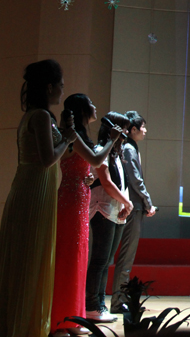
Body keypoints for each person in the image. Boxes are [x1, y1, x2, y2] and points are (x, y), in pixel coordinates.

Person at [0, 59, 77, 337]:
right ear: (49, 87)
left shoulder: (33, 116)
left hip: (30, 188)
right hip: (34, 192)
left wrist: (65, 136)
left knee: (24, 257)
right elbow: (48, 159)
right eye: (60, 85)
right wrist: (68, 138)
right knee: (31, 259)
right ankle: (25, 326)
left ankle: (14, 323)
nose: (63, 90)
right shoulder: (40, 117)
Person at [50, 94, 122, 336]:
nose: (95, 106)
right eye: (90, 103)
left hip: (80, 197)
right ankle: (61, 320)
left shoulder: (78, 136)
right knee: (69, 259)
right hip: (71, 201)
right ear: (82, 110)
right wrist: (112, 140)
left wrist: (87, 177)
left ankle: (73, 318)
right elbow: (97, 160)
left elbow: (83, 166)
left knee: (78, 258)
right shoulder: (73, 135)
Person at [85, 112, 133, 323]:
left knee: (106, 261)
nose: (126, 132)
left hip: (116, 211)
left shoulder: (116, 153)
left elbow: (120, 183)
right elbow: (106, 183)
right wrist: (127, 202)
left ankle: (99, 304)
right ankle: (91, 306)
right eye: (123, 128)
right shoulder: (100, 150)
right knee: (99, 260)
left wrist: (125, 205)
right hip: (102, 209)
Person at [110, 111, 157, 314]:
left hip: (134, 207)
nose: (145, 130)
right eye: (143, 127)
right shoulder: (129, 149)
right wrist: (148, 203)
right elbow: (136, 180)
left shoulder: (130, 147)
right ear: (133, 129)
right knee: (126, 257)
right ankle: (118, 302)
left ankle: (121, 299)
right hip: (133, 207)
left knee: (126, 257)